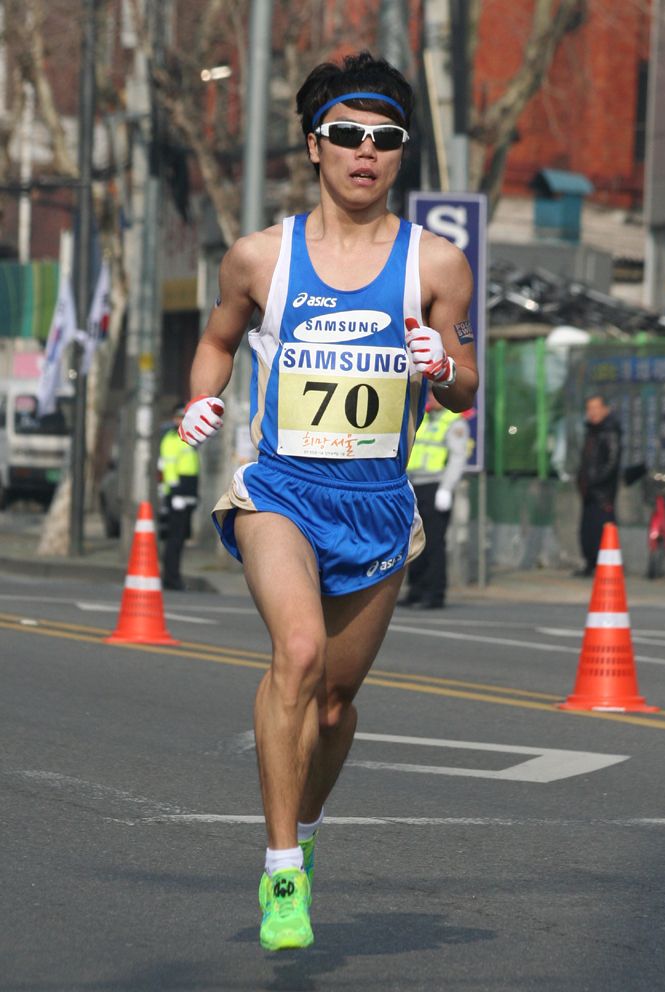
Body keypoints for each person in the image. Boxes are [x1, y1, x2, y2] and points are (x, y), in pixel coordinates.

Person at [178, 52, 478, 951]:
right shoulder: (261, 257)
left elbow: (466, 387)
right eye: (346, 135)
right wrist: (201, 396)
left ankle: (301, 839)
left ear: (400, 154)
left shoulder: (438, 263)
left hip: (378, 504)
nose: (365, 152)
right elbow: (217, 341)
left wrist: (445, 370)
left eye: (385, 139)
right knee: (298, 654)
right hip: (280, 492)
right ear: (315, 146)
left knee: (336, 704)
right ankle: (279, 878)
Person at [401, 395, 469, 608]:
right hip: (414, 484)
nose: (433, 397)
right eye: (430, 393)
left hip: (436, 486)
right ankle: (416, 590)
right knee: (414, 541)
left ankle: (434, 593)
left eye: (437, 393)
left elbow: (458, 458)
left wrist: (446, 489)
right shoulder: (425, 418)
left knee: (433, 543)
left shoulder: (453, 422)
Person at [577, 394, 621, 576]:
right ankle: (590, 565)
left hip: (602, 494)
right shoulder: (591, 431)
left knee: (602, 532)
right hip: (588, 494)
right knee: (586, 532)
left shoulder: (609, 431)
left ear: (605, 410)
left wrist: (596, 481)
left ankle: (606, 568)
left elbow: (612, 462)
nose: (593, 412)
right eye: (589, 408)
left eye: (596, 408)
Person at [160, 403, 199, 590]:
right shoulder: (171, 440)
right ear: (175, 419)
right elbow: (169, 470)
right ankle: (171, 578)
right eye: (181, 417)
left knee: (181, 539)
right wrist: (175, 495)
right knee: (174, 540)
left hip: (188, 495)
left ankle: (174, 576)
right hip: (177, 497)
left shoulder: (190, 439)